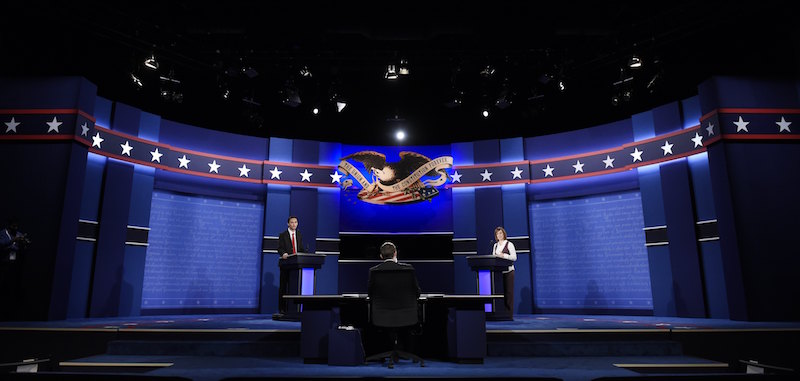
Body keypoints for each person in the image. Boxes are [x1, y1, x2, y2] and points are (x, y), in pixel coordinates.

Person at [0, 218, 29, 321]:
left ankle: (9, 313)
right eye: (13, 226)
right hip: (3, 262)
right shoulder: (3, 233)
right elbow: (1, 244)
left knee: (11, 288)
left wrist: (23, 242)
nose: (15, 228)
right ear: (9, 225)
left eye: (16, 226)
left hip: (15, 264)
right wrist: (13, 240)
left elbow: (25, 246)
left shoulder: (19, 234)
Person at [275, 216, 303, 318]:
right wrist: (283, 253)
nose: (294, 224)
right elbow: (279, 248)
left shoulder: (299, 235)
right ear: (288, 224)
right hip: (286, 264)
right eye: (292, 222)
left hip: (296, 265)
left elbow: (300, 248)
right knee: (283, 287)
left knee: (294, 286)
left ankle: (293, 309)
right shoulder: (283, 235)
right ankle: (282, 309)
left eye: (296, 222)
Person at [492, 226, 517, 318]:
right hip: (498, 272)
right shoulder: (495, 246)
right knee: (500, 293)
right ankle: (501, 313)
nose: (499, 235)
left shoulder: (509, 244)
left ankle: (509, 314)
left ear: (504, 234)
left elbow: (514, 257)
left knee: (509, 293)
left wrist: (504, 255)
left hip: (509, 272)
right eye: (498, 234)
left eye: (501, 233)